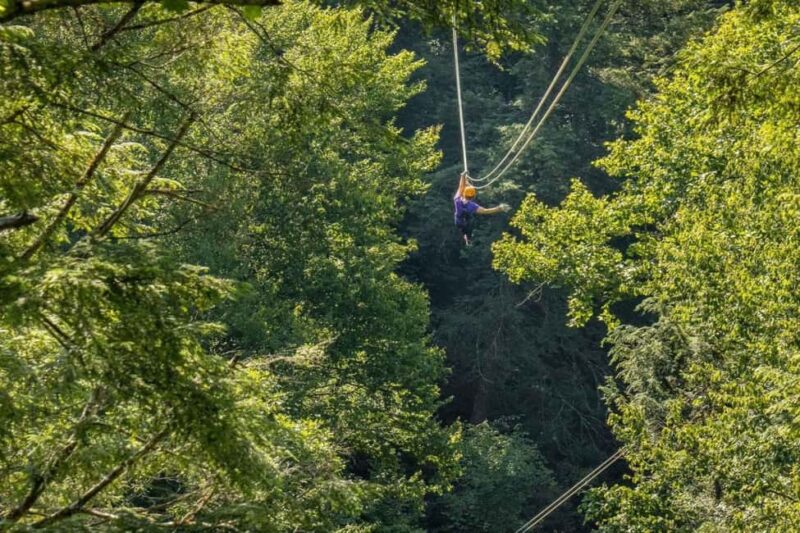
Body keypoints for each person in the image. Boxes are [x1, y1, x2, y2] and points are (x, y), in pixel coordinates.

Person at [453, 172, 510, 246]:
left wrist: (462, 176)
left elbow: (461, 187)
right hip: (465, 223)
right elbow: (486, 211)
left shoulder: (457, 200)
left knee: (466, 229)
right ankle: (468, 238)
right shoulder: (472, 206)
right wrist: (499, 208)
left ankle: (467, 238)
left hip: (459, 221)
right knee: (468, 227)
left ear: (464, 193)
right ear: (473, 196)